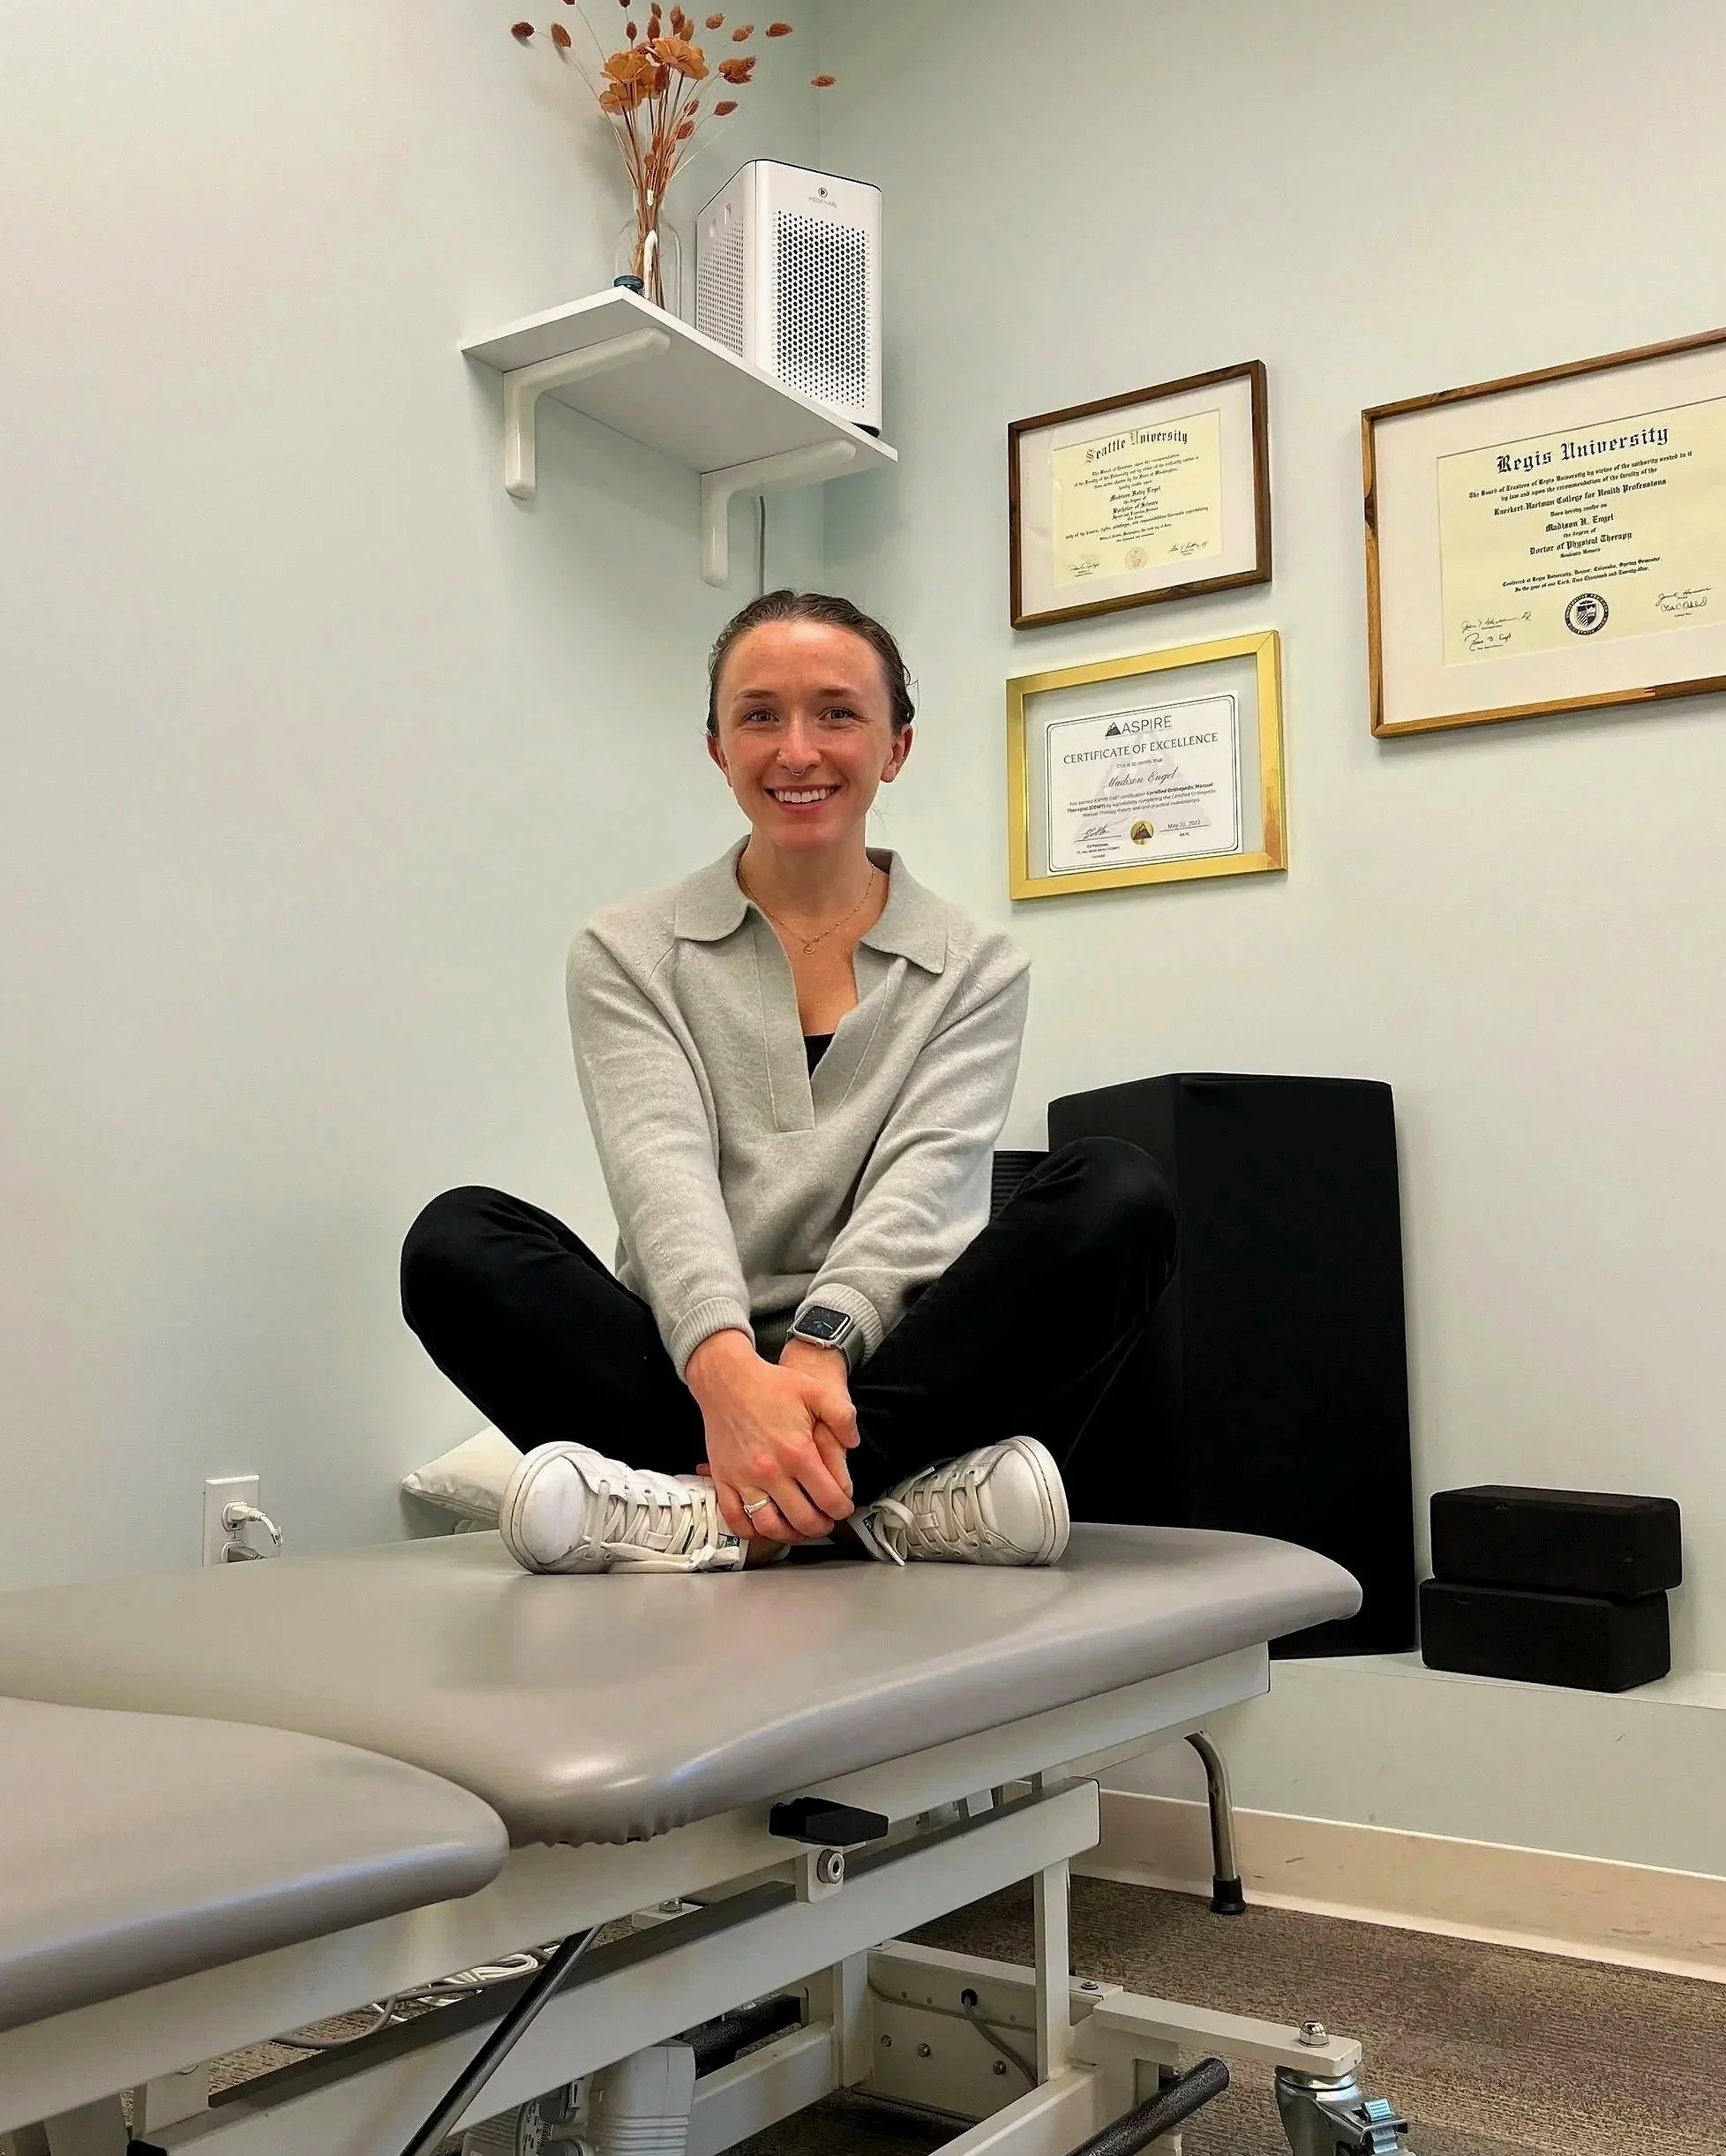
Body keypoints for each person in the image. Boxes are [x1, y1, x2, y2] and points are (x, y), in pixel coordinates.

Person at [401, 590, 1177, 1574]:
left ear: (895, 747)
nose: (797, 751)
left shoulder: (977, 967)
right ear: (718, 748)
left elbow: (921, 1192)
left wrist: (816, 1353)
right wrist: (729, 1374)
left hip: (893, 1375)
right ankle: (879, 1506)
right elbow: (661, 1178)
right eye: (760, 715)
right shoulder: (625, 951)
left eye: (837, 713)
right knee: (455, 1241)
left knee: (1117, 1192)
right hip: (686, 1371)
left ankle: (712, 1514)